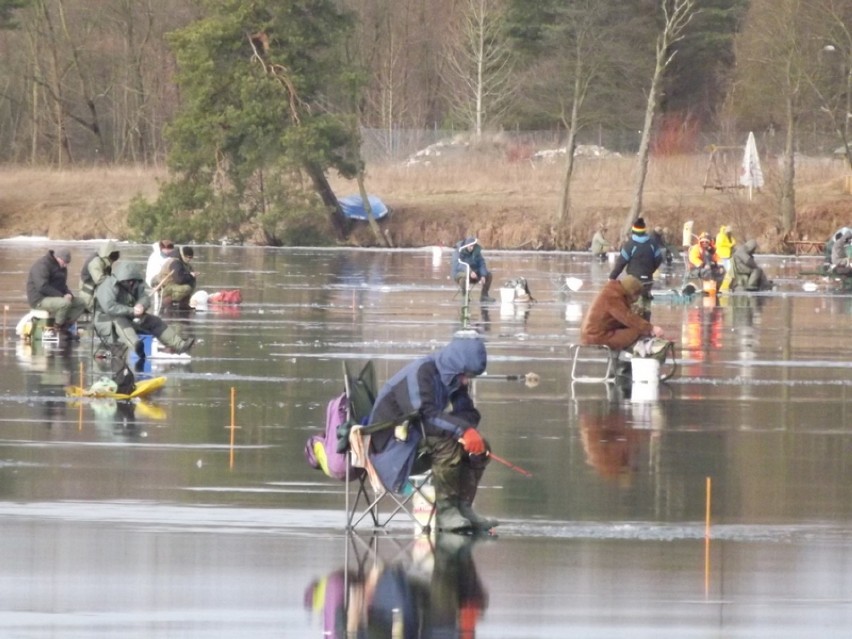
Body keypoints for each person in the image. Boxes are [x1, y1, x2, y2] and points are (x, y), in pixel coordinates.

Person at [366, 336, 496, 533]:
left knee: (481, 447)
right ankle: (446, 512)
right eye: (466, 375)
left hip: (416, 438)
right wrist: (461, 430)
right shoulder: (421, 374)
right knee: (448, 444)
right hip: (391, 448)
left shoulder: (453, 379)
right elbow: (426, 417)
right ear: (456, 366)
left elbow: (468, 412)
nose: (467, 381)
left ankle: (463, 507)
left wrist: (466, 433)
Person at [94, 261, 195, 360]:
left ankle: (179, 345)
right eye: (128, 281)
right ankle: (136, 345)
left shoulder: (136, 284)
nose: (131, 283)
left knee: (154, 321)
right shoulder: (107, 286)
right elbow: (109, 307)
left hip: (128, 316)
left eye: (132, 280)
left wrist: (141, 305)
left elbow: (145, 297)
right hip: (106, 321)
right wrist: (131, 310)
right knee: (121, 321)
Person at [580, 275, 665, 351]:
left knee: (637, 329)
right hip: (597, 336)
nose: (636, 299)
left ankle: (623, 360)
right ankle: (626, 362)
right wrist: (651, 328)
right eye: (637, 296)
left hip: (594, 334)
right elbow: (627, 318)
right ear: (631, 293)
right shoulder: (613, 297)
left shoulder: (612, 292)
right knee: (638, 331)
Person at [608, 217, 664, 319]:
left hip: (633, 281)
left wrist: (612, 277)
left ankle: (635, 328)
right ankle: (647, 325)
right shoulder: (652, 243)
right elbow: (659, 259)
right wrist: (651, 270)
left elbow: (621, 263)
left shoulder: (630, 245)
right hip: (648, 280)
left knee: (634, 307)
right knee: (646, 305)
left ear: (633, 231)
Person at [26, 247, 87, 336]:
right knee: (64, 304)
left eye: (67, 263)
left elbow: (62, 285)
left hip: (55, 297)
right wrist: (62, 296)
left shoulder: (61, 267)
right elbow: (42, 286)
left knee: (80, 303)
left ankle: (67, 324)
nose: (65, 265)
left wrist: (68, 294)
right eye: (64, 262)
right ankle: (57, 328)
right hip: (39, 299)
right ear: (57, 258)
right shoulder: (42, 265)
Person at [78, 240, 120, 311]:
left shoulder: (105, 262)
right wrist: (115, 281)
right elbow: (99, 279)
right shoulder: (96, 262)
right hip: (88, 297)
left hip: (96, 293)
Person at [451, 237, 494, 302]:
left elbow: (481, 263)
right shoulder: (458, 252)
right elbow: (458, 265)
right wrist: (470, 272)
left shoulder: (476, 252)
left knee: (488, 275)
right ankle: (465, 296)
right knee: (463, 278)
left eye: (473, 246)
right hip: (459, 274)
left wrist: (483, 275)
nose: (472, 248)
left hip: (474, 274)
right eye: (470, 246)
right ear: (466, 245)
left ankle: (484, 296)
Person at [158, 245, 198, 309]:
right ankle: (167, 301)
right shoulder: (175, 263)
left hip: (173, 285)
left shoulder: (183, 263)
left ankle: (184, 304)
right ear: (183, 255)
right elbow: (179, 280)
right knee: (187, 288)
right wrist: (190, 275)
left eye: (191, 258)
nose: (190, 259)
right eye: (189, 257)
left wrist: (190, 275)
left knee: (191, 282)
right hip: (166, 287)